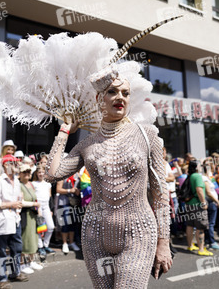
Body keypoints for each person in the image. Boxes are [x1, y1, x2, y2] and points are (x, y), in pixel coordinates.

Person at [45, 72, 172, 287]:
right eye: (112, 92)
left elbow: (160, 193)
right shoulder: (88, 143)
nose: (120, 97)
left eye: (125, 93)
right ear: (98, 99)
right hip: (95, 233)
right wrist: (64, 130)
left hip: (139, 232)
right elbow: (51, 174)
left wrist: (163, 242)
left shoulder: (148, 135)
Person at [0, 155, 28, 289]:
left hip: (15, 220)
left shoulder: (16, 181)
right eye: (14, 163)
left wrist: (18, 204)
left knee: (17, 249)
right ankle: (1, 279)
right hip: (2, 221)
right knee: (0, 252)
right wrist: (11, 204)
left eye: (17, 163)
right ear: (6, 165)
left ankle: (15, 272)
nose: (17, 165)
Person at [18, 164, 43, 274]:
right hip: (25, 215)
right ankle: (22, 264)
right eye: (24, 172)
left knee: (34, 238)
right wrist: (34, 204)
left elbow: (35, 198)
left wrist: (39, 210)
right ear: (20, 174)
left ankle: (31, 261)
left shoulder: (31, 184)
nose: (27, 174)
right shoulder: (19, 186)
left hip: (33, 215)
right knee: (25, 239)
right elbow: (21, 202)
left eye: (29, 172)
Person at [184, 160, 211, 256]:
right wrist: (203, 202)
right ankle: (201, 249)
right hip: (197, 205)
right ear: (196, 167)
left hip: (189, 204)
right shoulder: (197, 176)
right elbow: (199, 190)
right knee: (200, 227)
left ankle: (190, 245)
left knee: (190, 225)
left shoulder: (190, 176)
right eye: (200, 165)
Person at [32, 166, 55, 257]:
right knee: (40, 228)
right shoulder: (34, 183)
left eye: (43, 172)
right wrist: (37, 209)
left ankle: (46, 245)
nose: (41, 174)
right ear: (36, 174)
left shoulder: (48, 184)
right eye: (39, 172)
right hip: (38, 207)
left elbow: (49, 197)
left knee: (51, 227)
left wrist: (51, 209)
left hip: (46, 206)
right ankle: (40, 246)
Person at [56, 174, 81, 254]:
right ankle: (64, 243)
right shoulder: (63, 175)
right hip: (64, 202)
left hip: (74, 202)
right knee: (65, 223)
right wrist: (70, 190)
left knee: (73, 223)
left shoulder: (78, 175)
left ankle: (71, 242)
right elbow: (58, 189)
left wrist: (78, 191)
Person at [202, 159, 219, 251]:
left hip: (211, 202)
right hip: (210, 202)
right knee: (211, 223)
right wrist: (217, 201)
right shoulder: (204, 178)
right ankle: (212, 242)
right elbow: (208, 192)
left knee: (209, 223)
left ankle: (208, 241)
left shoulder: (207, 177)